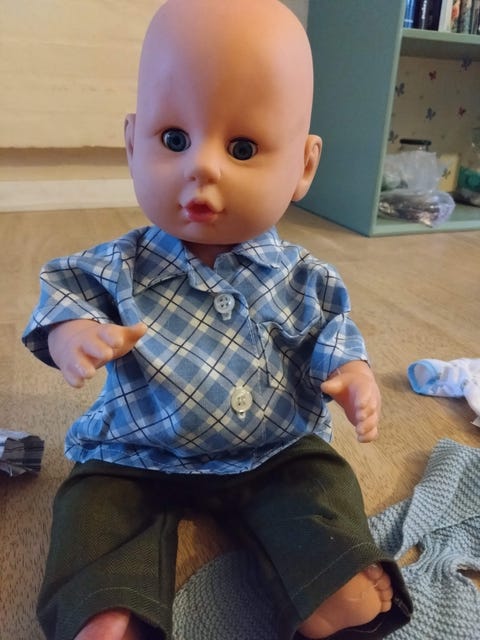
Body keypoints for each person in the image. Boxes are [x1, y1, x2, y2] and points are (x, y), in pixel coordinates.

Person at [23, 1, 412, 639]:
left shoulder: (305, 278)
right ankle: (104, 605)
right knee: (91, 506)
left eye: (242, 147)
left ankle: (331, 576)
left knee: (319, 486)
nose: (202, 165)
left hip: (274, 448)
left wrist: (354, 375)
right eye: (174, 139)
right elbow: (65, 292)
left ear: (304, 165)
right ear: (132, 142)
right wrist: (72, 335)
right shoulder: (119, 265)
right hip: (137, 449)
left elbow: (333, 334)